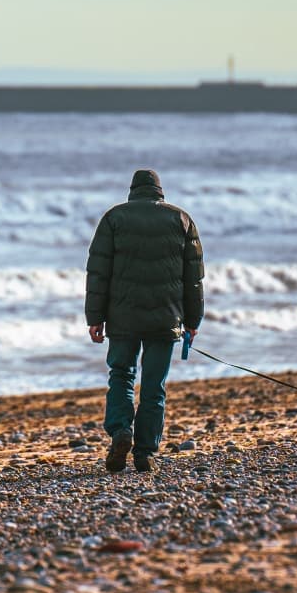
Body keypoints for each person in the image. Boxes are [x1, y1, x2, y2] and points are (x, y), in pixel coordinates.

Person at [85, 168, 205, 475]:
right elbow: (194, 278)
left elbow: (98, 273)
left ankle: (120, 430)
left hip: (122, 317)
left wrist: (94, 317)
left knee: (121, 375)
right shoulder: (181, 219)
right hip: (165, 318)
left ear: (132, 191)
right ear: (160, 192)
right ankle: (145, 453)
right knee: (154, 386)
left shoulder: (114, 218)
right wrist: (193, 319)